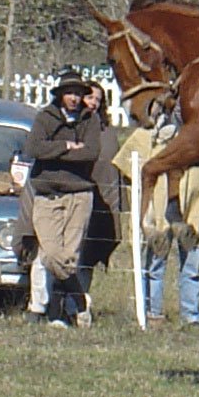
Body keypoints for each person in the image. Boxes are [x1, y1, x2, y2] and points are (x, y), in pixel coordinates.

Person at [112, 127, 199, 327]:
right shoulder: (149, 134)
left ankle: (190, 315)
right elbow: (129, 168)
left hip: (194, 207)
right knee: (156, 261)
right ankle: (152, 313)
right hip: (159, 208)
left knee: (192, 261)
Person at [22, 70, 100, 328]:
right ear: (60, 95)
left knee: (70, 255)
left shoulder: (90, 120)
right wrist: (67, 146)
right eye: (70, 93)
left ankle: (56, 312)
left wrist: (52, 151)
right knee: (51, 253)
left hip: (79, 195)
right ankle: (79, 299)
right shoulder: (46, 117)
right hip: (47, 195)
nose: (74, 99)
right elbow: (33, 148)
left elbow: (90, 153)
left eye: (78, 93)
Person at [71, 80, 123, 319]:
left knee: (88, 255)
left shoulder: (107, 133)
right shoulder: (69, 127)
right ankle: (60, 303)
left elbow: (113, 168)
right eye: (89, 97)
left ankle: (80, 305)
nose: (92, 103)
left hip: (101, 203)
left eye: (97, 100)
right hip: (72, 197)